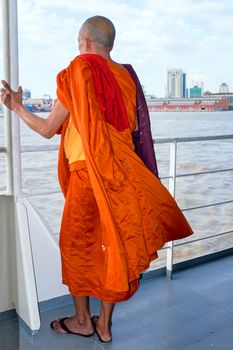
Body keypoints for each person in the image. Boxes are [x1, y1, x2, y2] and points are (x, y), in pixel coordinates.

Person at [1, 15, 192, 343]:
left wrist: (16, 106)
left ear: (85, 42)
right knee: (112, 249)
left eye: (78, 43)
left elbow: (48, 129)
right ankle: (103, 325)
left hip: (89, 178)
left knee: (76, 249)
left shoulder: (79, 70)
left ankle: (81, 321)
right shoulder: (127, 78)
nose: (79, 49)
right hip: (123, 177)